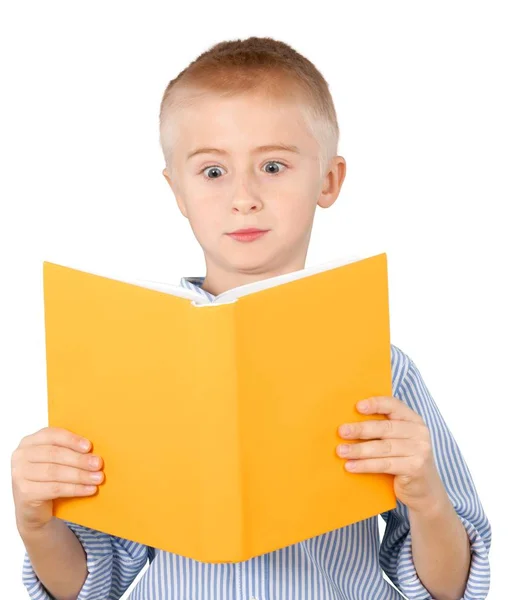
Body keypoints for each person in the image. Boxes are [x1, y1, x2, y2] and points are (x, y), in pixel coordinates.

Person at [13, 36, 491, 600]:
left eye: (272, 165)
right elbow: (94, 581)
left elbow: (450, 588)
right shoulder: (128, 364)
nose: (243, 197)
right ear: (178, 192)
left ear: (328, 180)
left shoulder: (380, 368)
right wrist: (36, 524)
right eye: (213, 172)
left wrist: (429, 498)